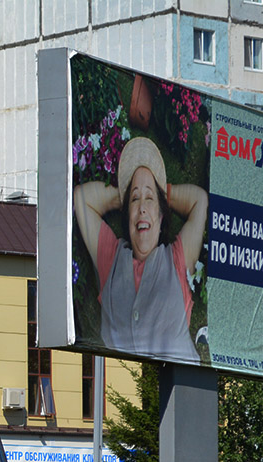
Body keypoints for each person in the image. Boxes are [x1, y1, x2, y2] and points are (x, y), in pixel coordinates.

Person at [73, 136, 207, 362]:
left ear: (162, 215)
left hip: (179, 385)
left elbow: (199, 201)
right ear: (126, 216)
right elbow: (81, 199)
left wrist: (164, 193)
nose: (142, 208)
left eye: (149, 199)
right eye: (135, 200)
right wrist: (123, 196)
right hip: (123, 385)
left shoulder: (177, 258)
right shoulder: (111, 259)